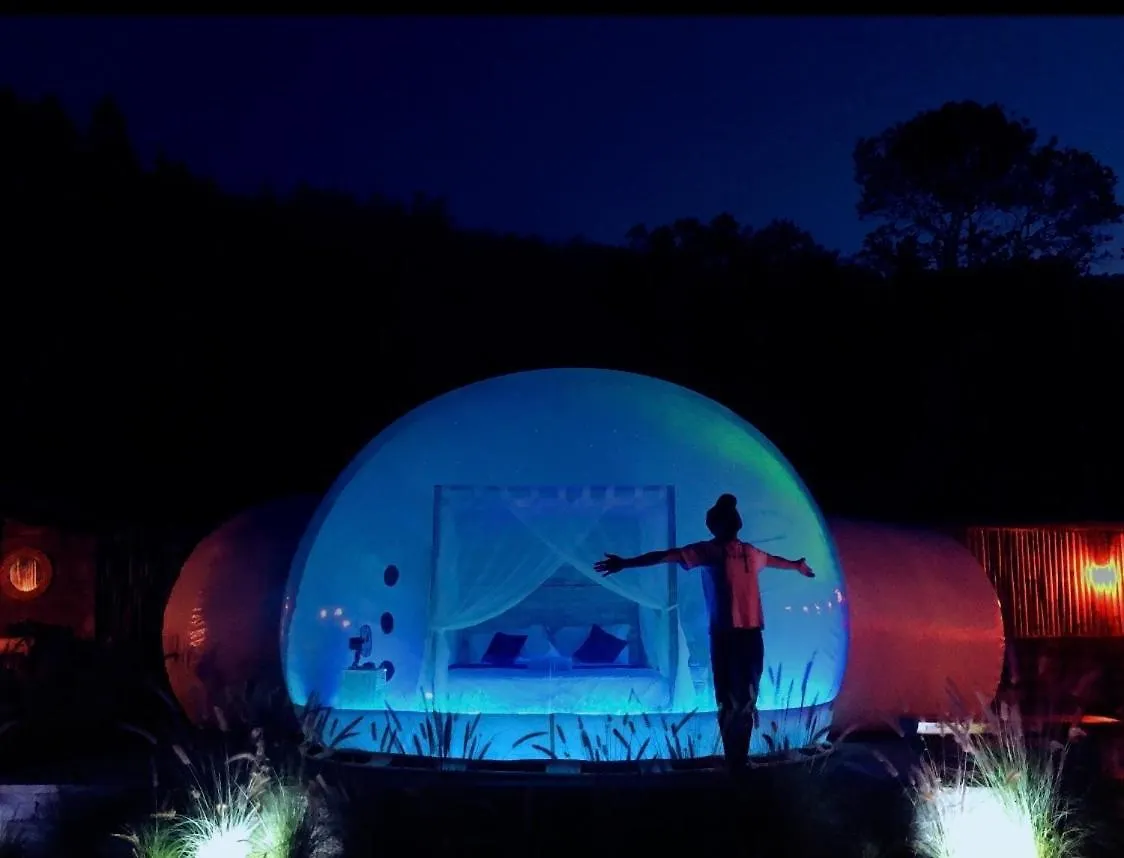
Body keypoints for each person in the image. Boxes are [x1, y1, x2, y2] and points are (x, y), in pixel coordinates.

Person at [594, 492, 814, 773]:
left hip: (748, 634)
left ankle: (739, 759)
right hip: (726, 635)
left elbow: (774, 560)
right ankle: (735, 760)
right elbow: (666, 556)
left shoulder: (749, 553)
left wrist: (796, 565)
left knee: (745, 699)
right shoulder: (710, 551)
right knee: (730, 699)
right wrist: (626, 563)